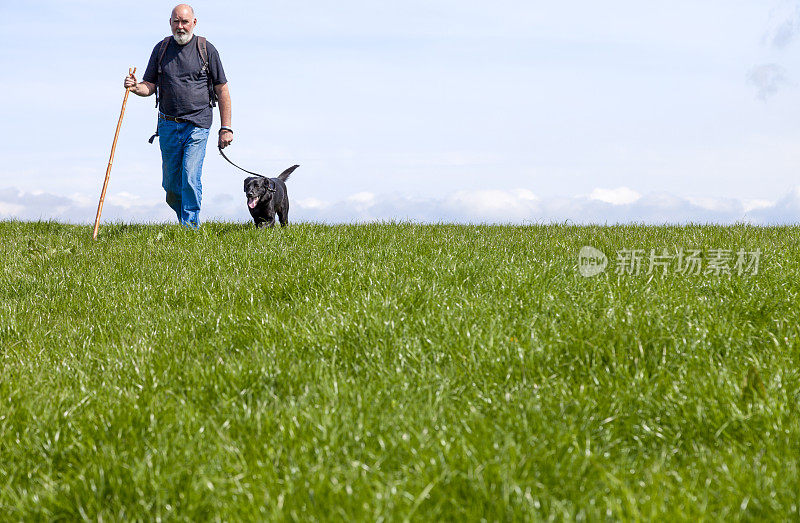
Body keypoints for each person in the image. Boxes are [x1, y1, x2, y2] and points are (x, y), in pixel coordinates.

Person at [124, 4, 232, 229]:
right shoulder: (161, 48)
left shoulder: (206, 49)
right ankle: (184, 218)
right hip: (167, 124)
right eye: (176, 21)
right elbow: (149, 85)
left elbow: (222, 90)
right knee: (171, 185)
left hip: (198, 123)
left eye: (184, 21)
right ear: (170, 22)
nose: (180, 26)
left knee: (190, 177)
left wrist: (226, 128)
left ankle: (190, 228)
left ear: (194, 22)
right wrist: (135, 87)